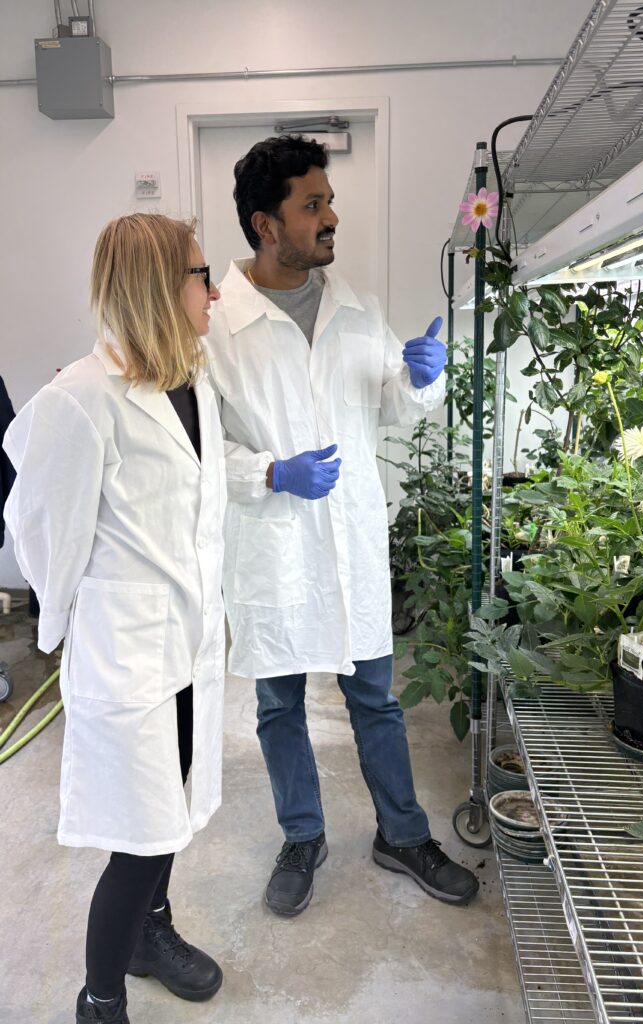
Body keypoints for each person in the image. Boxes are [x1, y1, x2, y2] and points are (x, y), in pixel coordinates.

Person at [204, 135, 479, 917]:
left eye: (329, 201)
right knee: (279, 706)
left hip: (350, 544)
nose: (331, 217)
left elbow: (389, 403)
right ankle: (302, 836)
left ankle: (402, 834)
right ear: (266, 223)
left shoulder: (357, 310)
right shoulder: (218, 329)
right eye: (312, 205)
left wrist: (417, 376)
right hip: (273, 546)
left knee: (378, 701)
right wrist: (267, 472)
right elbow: (200, 449)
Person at [4, 214, 226, 1024]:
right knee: (138, 842)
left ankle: (151, 937)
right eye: (202, 275)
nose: (215, 290)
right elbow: (39, 530)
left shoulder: (190, 380)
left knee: (169, 814)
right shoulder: (78, 397)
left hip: (186, 644)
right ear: (159, 288)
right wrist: (62, 625)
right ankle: (99, 1000)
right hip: (126, 654)